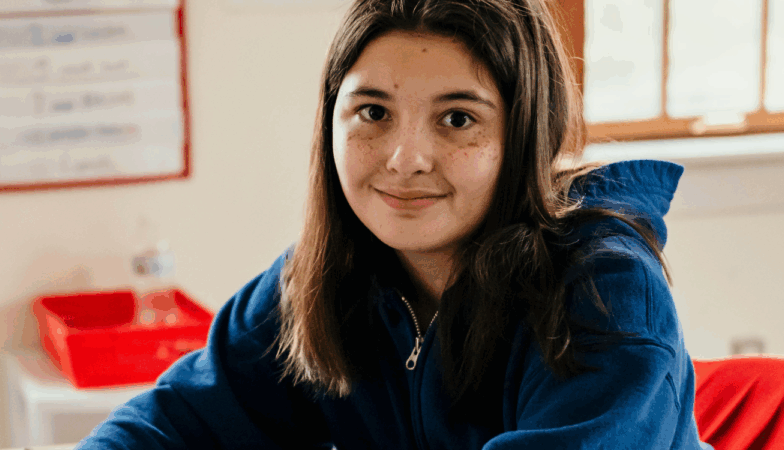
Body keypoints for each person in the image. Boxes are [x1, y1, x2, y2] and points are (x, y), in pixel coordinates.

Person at [78, 0, 712, 447]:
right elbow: (178, 421)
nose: (405, 159)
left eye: (458, 118)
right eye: (373, 112)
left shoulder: (606, 291)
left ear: (523, 136)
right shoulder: (323, 277)